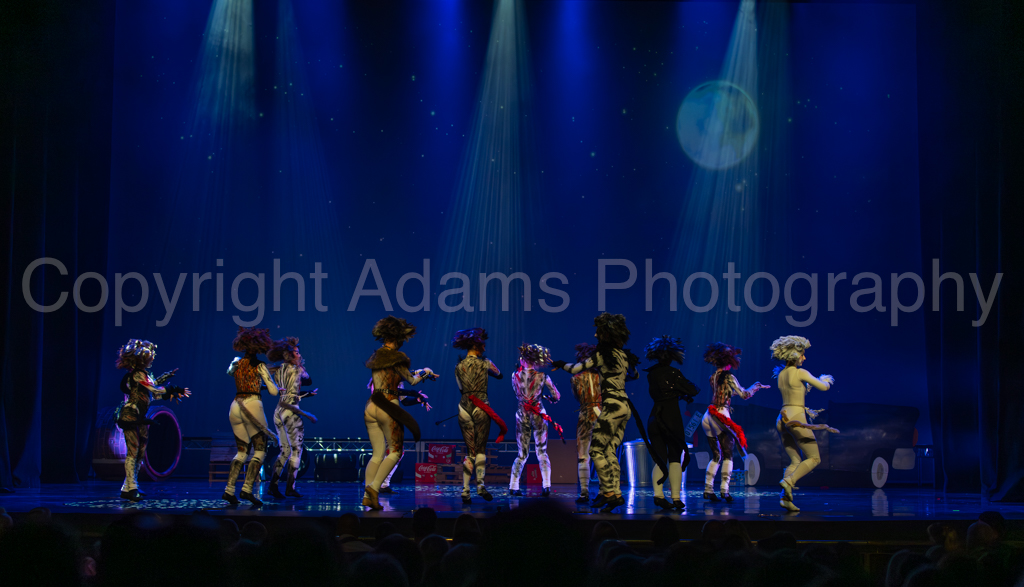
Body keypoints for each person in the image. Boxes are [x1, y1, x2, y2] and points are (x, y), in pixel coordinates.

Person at [551, 313, 640, 513]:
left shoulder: (602, 355)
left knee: (595, 450)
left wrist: (560, 364)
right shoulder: (623, 355)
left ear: (605, 334)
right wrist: (616, 378)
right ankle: (616, 493)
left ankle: (608, 492)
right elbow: (634, 375)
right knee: (609, 451)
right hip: (624, 406)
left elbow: (577, 368)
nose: (595, 335)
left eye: (598, 332)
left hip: (612, 406)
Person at [362, 316, 437, 510]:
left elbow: (399, 374)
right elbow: (411, 380)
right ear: (398, 338)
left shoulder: (377, 356)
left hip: (371, 405)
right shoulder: (397, 357)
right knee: (396, 451)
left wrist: (420, 372)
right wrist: (426, 372)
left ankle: (367, 496)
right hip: (388, 405)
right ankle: (374, 488)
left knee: (377, 454)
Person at [114, 339, 190, 501]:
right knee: (133, 452)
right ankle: (132, 487)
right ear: (142, 358)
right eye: (150, 356)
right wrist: (172, 388)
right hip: (130, 415)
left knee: (140, 453)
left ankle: (128, 486)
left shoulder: (145, 375)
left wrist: (170, 391)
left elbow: (154, 395)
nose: (153, 358)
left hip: (140, 417)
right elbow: (154, 388)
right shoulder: (137, 374)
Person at [769, 335, 837, 512]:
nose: (804, 358)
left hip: (781, 418)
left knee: (795, 460)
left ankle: (785, 498)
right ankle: (789, 481)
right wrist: (826, 379)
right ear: (794, 355)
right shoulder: (801, 373)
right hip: (795, 417)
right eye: (802, 354)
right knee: (814, 458)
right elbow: (824, 387)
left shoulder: (781, 374)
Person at [701, 342, 769, 503]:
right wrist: (755, 387)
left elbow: (728, 392)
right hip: (720, 415)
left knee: (716, 455)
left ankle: (708, 489)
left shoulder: (712, 377)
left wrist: (746, 388)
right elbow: (744, 395)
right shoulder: (729, 376)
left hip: (708, 416)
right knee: (728, 455)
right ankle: (724, 491)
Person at [643, 336, 700, 510]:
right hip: (671, 417)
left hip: (654, 418)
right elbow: (693, 389)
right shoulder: (674, 373)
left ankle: (658, 495)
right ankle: (675, 497)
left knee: (660, 459)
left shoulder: (651, 374)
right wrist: (679, 391)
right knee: (675, 458)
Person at [224, 327, 278, 506]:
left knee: (242, 451)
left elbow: (230, 373)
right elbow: (273, 391)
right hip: (252, 404)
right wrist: (269, 382)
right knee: (260, 449)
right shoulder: (260, 365)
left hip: (235, 405)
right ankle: (247, 489)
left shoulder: (237, 363)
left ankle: (229, 490)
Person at [451, 328, 507, 504]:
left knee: (471, 451)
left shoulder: (458, 366)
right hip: (481, 405)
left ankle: (465, 490)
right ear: (476, 345)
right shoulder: (486, 363)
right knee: (480, 449)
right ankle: (481, 485)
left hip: (464, 406)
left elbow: (461, 388)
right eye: (482, 345)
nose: (484, 348)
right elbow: (500, 375)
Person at [267, 337, 317, 499]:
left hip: (278, 411)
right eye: (296, 352)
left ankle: (273, 485)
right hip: (290, 410)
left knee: (285, 451)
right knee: (296, 450)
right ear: (289, 355)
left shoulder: (279, 370)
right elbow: (309, 380)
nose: (299, 355)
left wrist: (307, 394)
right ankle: (290, 487)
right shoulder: (297, 369)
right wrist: (300, 365)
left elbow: (289, 393)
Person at [508, 344, 562, 497]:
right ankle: (546, 486)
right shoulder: (543, 376)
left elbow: (519, 393)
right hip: (538, 414)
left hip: (522, 414)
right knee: (542, 451)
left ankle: (514, 486)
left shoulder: (514, 376)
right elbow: (557, 396)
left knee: (522, 454)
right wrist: (548, 397)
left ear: (523, 359)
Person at [570, 343, 601, 504]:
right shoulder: (601, 376)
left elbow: (577, 397)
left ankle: (584, 492)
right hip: (601, 414)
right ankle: (604, 491)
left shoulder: (575, 379)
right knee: (602, 454)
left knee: (583, 456)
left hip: (585, 414)